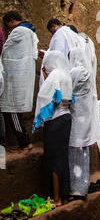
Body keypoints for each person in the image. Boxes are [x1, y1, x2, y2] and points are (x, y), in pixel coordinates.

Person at [33, 51, 74, 206]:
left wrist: (40, 117)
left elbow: (52, 97)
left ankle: (56, 198)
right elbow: (70, 98)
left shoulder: (55, 75)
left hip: (55, 120)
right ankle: (64, 194)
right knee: (62, 156)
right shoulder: (66, 75)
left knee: (53, 158)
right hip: (66, 117)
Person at [0, 11, 39, 152]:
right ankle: (24, 142)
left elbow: (6, 53)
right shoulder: (30, 32)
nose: (8, 29)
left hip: (14, 79)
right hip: (22, 79)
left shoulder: (19, 32)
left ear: (11, 21)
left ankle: (25, 143)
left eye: (7, 25)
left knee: (12, 111)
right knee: (14, 112)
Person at [68, 48, 100, 200]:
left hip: (76, 119)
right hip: (86, 119)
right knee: (84, 153)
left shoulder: (74, 72)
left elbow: (67, 92)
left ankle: (75, 189)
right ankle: (83, 185)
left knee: (74, 154)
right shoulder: (88, 73)